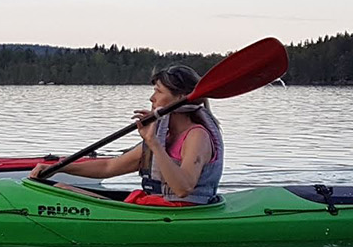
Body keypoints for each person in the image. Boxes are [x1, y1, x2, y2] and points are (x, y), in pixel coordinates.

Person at [32, 64, 223, 205]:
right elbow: (108, 167)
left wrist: (153, 143)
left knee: (63, 192)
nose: (152, 98)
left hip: (181, 210)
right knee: (60, 188)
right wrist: (59, 168)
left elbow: (183, 189)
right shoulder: (163, 135)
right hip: (155, 206)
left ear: (180, 98)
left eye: (158, 91)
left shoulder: (197, 136)